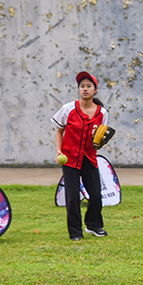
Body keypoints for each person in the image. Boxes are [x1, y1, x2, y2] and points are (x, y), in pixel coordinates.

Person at [52, 71, 110, 242]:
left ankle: (93, 225)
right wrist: (59, 150)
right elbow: (60, 131)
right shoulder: (68, 109)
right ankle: (75, 232)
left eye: (88, 86)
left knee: (96, 195)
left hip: (89, 158)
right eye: (82, 86)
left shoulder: (102, 113)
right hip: (70, 158)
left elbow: (100, 137)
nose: (85, 89)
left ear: (95, 90)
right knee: (72, 197)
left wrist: (99, 143)